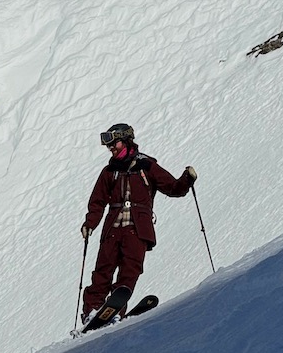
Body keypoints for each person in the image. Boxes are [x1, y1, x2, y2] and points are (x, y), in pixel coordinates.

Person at [79, 122, 197, 322]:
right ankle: (92, 312)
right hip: (113, 229)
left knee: (129, 271)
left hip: (137, 229)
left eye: (113, 143)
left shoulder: (146, 166)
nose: (110, 148)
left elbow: (173, 187)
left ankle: (114, 312)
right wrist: (90, 223)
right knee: (102, 271)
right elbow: (97, 201)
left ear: (125, 141)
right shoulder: (109, 171)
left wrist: (187, 179)